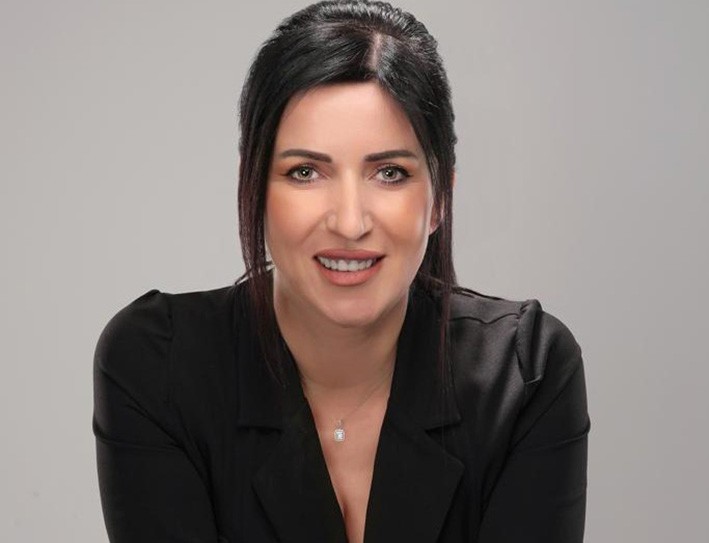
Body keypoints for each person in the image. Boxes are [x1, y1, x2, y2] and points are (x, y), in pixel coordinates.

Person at [92, 1, 591, 542]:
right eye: (305, 172)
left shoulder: (524, 374)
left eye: (390, 172)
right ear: (253, 187)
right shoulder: (159, 367)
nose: (350, 223)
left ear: (441, 196)